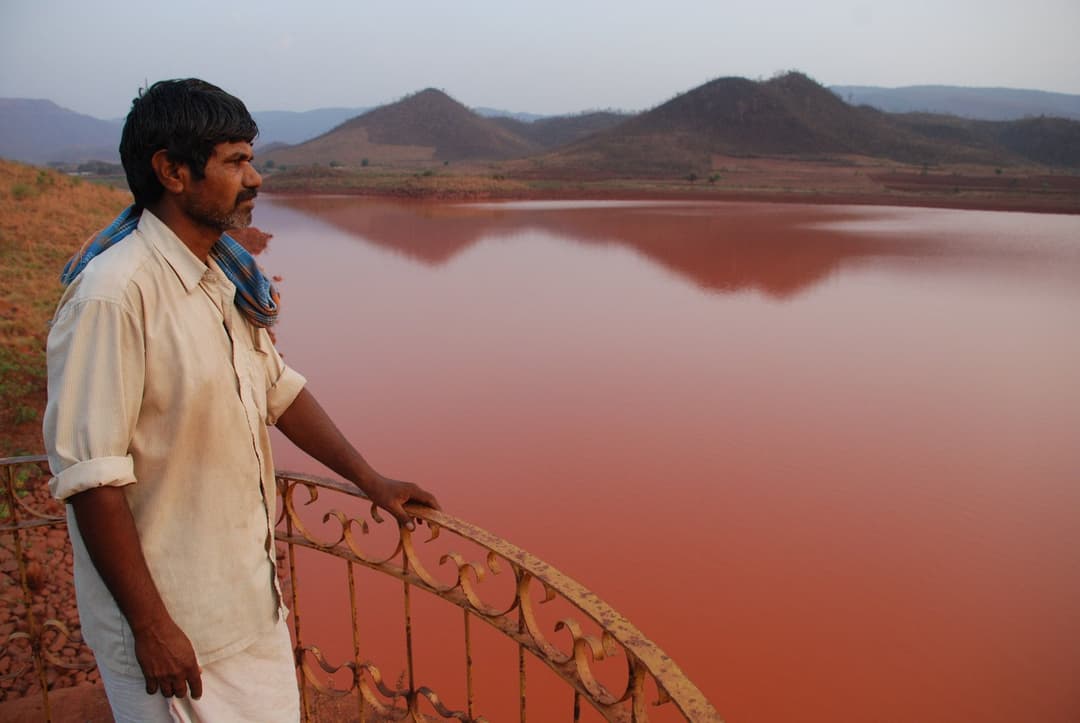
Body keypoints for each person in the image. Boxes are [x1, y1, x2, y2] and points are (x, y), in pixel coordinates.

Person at [42, 78, 440, 722]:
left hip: (248, 605)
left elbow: (279, 391)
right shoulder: (114, 296)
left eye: (251, 159)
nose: (254, 179)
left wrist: (372, 480)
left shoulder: (219, 279)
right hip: (176, 629)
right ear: (172, 171)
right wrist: (152, 629)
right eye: (234, 161)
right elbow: (92, 478)